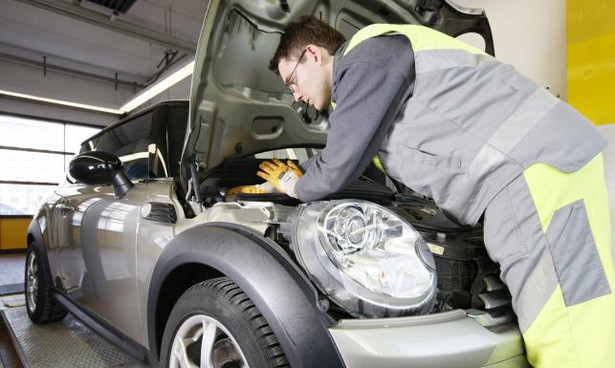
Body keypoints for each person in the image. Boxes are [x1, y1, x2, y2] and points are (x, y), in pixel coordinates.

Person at [237, 16, 615, 367]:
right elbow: (368, 165)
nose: (296, 97)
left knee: (565, 326)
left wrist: (292, 184)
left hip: (528, 173)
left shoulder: (368, 57)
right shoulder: (377, 78)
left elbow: (335, 170)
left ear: (314, 54)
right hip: (532, 170)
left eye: (292, 82)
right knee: (579, 308)